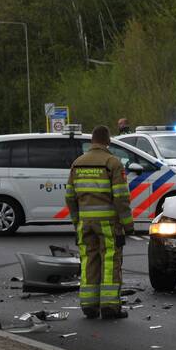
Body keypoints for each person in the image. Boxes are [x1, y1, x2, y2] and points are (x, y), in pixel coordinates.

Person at [65, 126, 134, 319]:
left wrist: (76, 220)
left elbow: (70, 196)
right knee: (110, 260)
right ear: (108, 141)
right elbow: (121, 197)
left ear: (92, 141)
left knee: (89, 261)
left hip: (85, 223)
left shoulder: (77, 163)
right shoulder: (112, 162)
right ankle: (110, 306)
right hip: (108, 223)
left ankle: (89, 305)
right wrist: (128, 224)